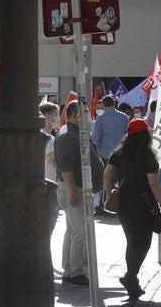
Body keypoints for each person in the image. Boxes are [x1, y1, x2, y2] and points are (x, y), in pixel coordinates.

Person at [102, 119, 161, 300]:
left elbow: (106, 175)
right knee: (143, 242)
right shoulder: (148, 155)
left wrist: (110, 193)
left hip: (124, 202)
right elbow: (153, 182)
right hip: (143, 202)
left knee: (132, 240)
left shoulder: (119, 153)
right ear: (146, 135)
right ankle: (131, 276)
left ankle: (132, 279)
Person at [55, 99, 104, 286]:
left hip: (75, 187)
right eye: (86, 114)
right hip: (73, 188)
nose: (89, 117)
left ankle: (70, 270)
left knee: (73, 231)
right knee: (79, 232)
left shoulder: (74, 133)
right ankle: (74, 273)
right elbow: (65, 165)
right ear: (76, 115)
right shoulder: (68, 135)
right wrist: (72, 189)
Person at [90, 93, 129, 214]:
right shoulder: (124, 117)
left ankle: (106, 205)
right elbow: (127, 135)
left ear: (103, 105)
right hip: (121, 153)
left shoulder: (100, 119)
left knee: (106, 180)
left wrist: (99, 146)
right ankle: (121, 206)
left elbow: (95, 139)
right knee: (121, 180)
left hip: (105, 154)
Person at [40, 100, 61, 237]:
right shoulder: (47, 138)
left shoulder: (42, 135)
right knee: (49, 223)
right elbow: (55, 161)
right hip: (49, 185)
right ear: (47, 117)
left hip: (45, 183)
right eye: (55, 115)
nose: (57, 118)